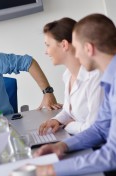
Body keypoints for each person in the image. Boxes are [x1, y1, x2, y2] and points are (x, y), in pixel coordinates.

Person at [34, 13, 116, 175]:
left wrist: (52, 169)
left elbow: (112, 155)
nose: (76, 55)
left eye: (77, 49)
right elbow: (100, 129)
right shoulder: (110, 80)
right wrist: (63, 146)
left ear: (88, 48)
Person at [38, 18, 103, 135]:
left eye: (48, 45)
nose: (46, 52)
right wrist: (57, 120)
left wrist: (69, 126)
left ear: (64, 45)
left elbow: (94, 128)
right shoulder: (67, 75)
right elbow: (69, 111)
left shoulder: (95, 77)